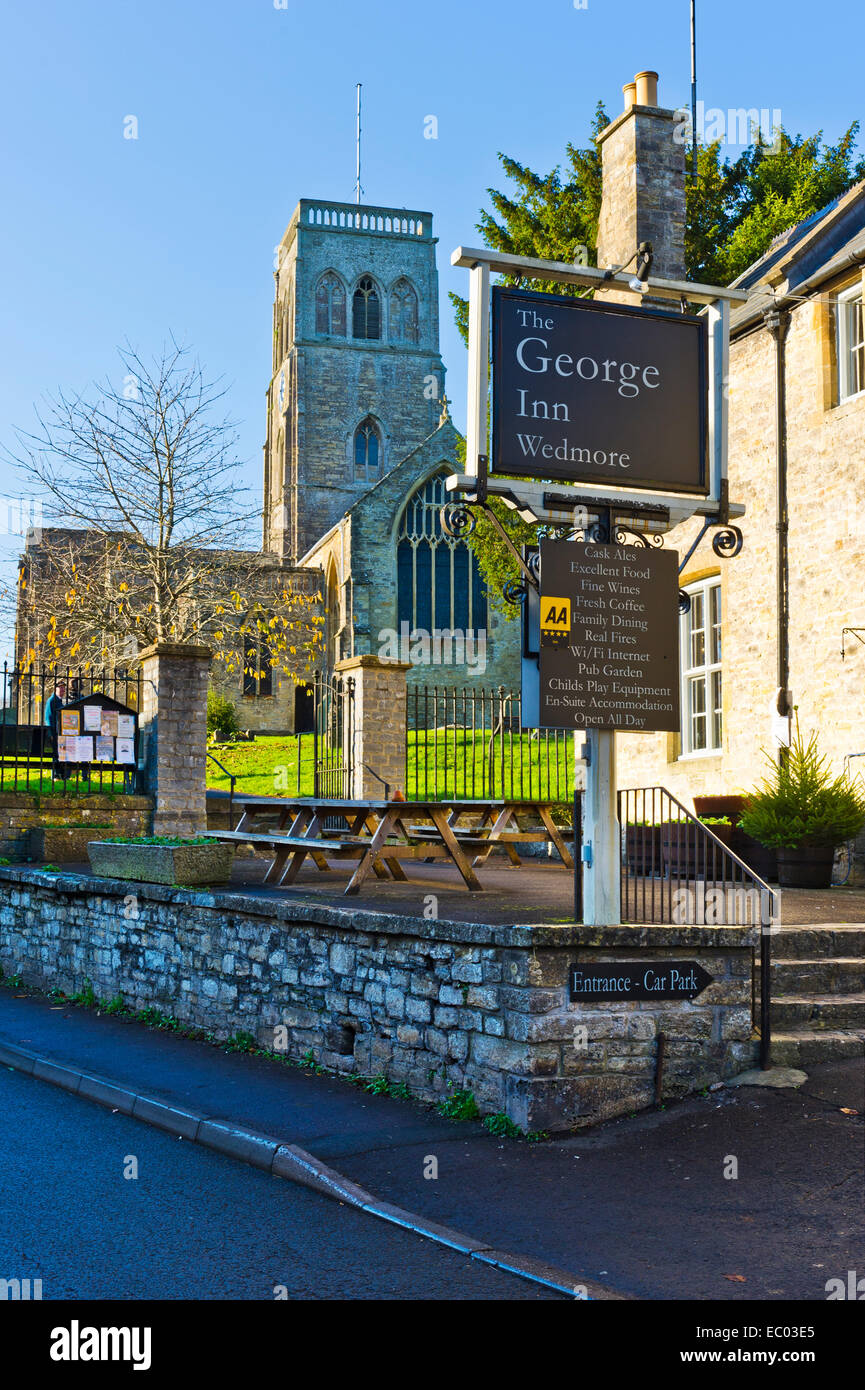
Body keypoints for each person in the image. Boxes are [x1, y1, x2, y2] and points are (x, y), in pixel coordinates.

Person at [44, 680, 68, 780]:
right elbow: (48, 718)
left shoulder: (59, 700)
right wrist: (50, 733)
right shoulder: (52, 700)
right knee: (55, 754)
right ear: (55, 688)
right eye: (60, 687)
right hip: (54, 732)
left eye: (63, 687)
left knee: (61, 754)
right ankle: (55, 775)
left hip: (61, 732)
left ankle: (61, 775)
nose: (62, 689)